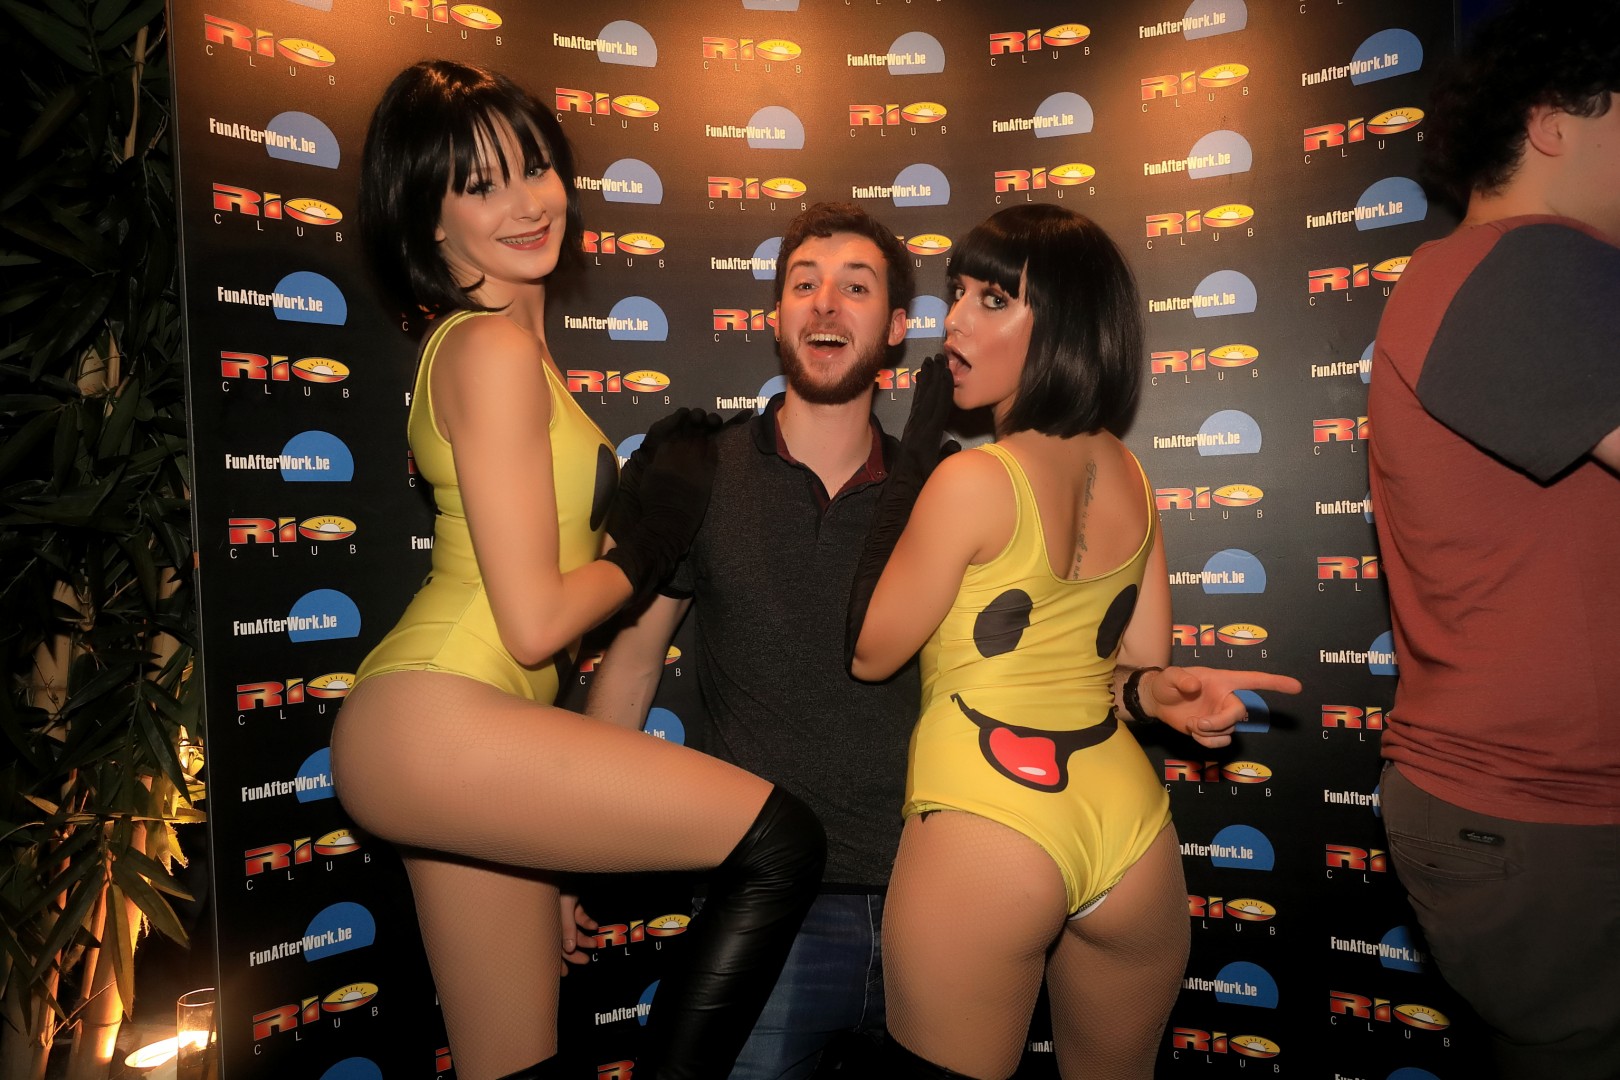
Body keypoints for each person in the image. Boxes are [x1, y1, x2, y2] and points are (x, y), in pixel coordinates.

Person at [329, 60, 824, 1080]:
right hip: (440, 712)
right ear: (428, 221)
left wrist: (553, 835)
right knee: (781, 842)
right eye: (481, 185)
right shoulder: (489, 351)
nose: (526, 203)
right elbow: (535, 624)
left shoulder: (508, 352)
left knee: (514, 1064)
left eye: (536, 167)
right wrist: (644, 547)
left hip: (461, 736)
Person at [845, 203, 1302, 1080]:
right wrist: (1157, 693)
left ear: (1061, 323)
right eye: (957, 293)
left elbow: (871, 650)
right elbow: (1137, 668)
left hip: (989, 819)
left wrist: (918, 447)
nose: (955, 321)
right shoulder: (1131, 473)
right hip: (1130, 832)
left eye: (992, 299)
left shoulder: (972, 479)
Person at [585, 202, 922, 1078]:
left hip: (933, 904)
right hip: (768, 908)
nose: (825, 303)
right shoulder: (705, 471)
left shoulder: (941, 491)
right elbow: (632, 666)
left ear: (896, 328)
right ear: (776, 317)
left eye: (856, 288)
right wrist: (572, 859)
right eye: (804, 284)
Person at [1366, 3, 1620, 1075]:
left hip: (1526, 808)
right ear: (1554, 122)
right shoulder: (1535, 265)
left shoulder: (1484, 271)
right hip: (1551, 814)